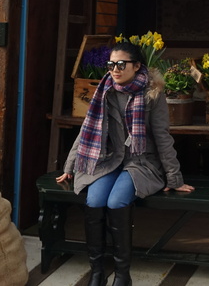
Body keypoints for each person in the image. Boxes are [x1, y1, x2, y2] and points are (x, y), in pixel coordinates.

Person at [55, 41, 194, 286]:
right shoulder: (104, 90)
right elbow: (86, 131)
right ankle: (97, 272)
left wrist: (174, 178)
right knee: (94, 200)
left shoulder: (152, 93)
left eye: (121, 64)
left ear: (136, 65)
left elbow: (162, 137)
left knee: (116, 201)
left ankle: (122, 275)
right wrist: (70, 166)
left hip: (141, 162)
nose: (115, 70)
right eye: (111, 64)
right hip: (109, 159)